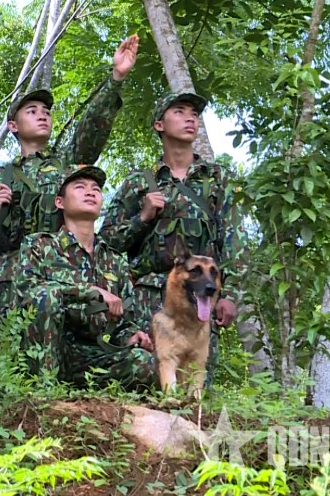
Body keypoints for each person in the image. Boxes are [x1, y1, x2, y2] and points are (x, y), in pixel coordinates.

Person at [0, 36, 139, 349]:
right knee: (11, 363)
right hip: (14, 280)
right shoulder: (0, 177)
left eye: (46, 110)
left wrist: (116, 78)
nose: (43, 114)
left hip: (65, 272)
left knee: (72, 352)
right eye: (32, 111)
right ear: (13, 126)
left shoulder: (66, 165)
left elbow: (92, 128)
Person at [99, 92, 246, 382]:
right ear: (159, 125)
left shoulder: (217, 179)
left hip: (200, 301)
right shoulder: (139, 182)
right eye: (179, 111)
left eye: (194, 112)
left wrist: (229, 296)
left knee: (194, 387)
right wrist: (142, 218)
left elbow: (234, 241)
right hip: (147, 299)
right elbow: (108, 242)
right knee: (147, 378)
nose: (190, 117)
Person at [14, 165, 156, 389]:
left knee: (145, 363)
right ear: (60, 202)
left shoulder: (114, 260)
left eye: (96, 189)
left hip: (93, 358)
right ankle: (43, 393)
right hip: (49, 351)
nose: (90, 192)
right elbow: (28, 294)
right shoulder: (39, 245)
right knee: (44, 296)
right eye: (80, 187)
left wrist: (130, 336)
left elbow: (124, 320)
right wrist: (90, 292)